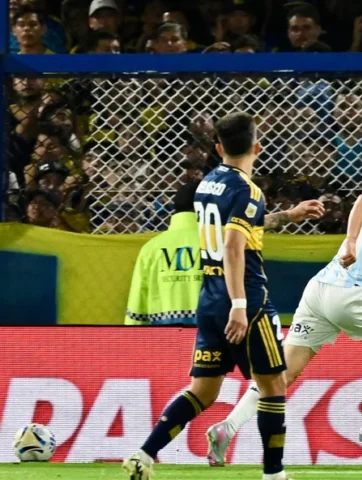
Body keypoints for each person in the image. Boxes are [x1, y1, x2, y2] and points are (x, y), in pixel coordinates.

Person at [122, 112, 323, 480]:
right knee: (273, 385)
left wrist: (289, 215)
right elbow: (233, 245)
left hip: (210, 298)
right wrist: (240, 306)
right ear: (257, 148)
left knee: (203, 390)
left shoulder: (207, 184)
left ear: (218, 149)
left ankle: (144, 454)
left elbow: (244, 224)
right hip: (245, 299)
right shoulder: (249, 190)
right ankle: (274, 474)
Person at [205, 155, 362, 465]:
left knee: (283, 373)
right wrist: (350, 240)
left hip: (319, 292)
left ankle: (227, 427)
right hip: (350, 295)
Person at [124, 181, 202, 326]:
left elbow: (138, 300)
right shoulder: (223, 244)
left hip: (163, 335)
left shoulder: (151, 248)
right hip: (214, 334)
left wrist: (131, 335)